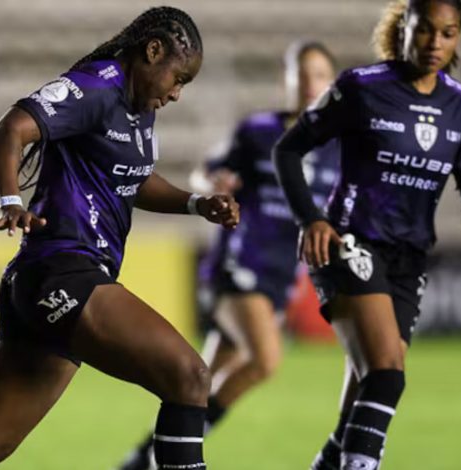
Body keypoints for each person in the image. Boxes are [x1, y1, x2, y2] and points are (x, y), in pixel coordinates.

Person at [0, 7, 240, 470]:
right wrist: (9, 202)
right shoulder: (95, 86)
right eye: (179, 78)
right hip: (61, 269)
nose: (178, 93)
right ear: (153, 50)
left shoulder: (137, 108)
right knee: (190, 376)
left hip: (47, 284)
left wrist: (194, 203)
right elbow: (10, 130)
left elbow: (134, 179)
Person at [118, 40, 341, 470]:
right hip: (240, 264)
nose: (309, 83)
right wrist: (211, 182)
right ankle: (164, 452)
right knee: (265, 360)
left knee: (200, 384)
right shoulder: (258, 131)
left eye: (318, 74)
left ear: (331, 83)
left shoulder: (334, 149)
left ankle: (142, 459)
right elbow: (207, 170)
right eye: (301, 74)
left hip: (279, 276)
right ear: (288, 79)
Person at [273, 1, 461, 469]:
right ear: (404, 28)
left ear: (458, 37)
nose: (434, 43)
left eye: (447, 33)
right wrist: (311, 219)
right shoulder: (360, 88)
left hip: (409, 258)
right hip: (348, 241)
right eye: (425, 30)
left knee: (359, 413)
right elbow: (289, 150)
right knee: (386, 375)